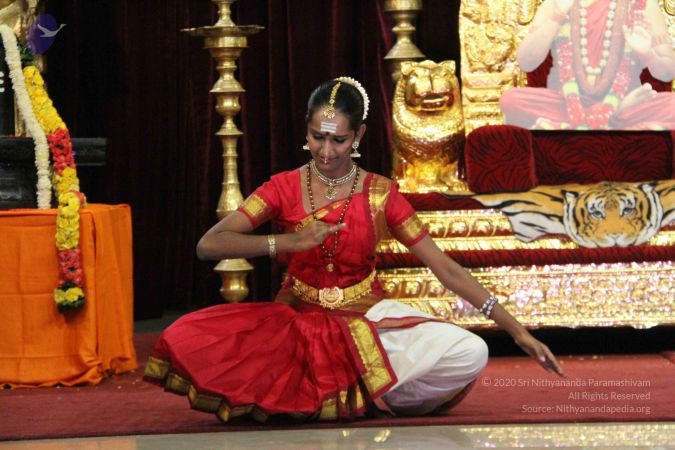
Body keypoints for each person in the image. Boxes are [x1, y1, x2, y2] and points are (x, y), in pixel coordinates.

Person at [144, 77, 565, 423]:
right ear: (306, 131)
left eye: (339, 140)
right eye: (317, 137)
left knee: (470, 352)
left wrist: (517, 331)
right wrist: (288, 242)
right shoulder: (283, 187)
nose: (326, 152)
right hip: (299, 321)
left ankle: (354, 391)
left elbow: (445, 268)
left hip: (366, 318)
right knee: (184, 336)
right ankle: (352, 390)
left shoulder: (380, 194)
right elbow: (209, 244)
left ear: (359, 135)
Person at [500, 0, 675, 130]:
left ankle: (599, 117)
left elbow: (668, 72)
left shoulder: (642, 4)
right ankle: (612, 118)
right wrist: (556, 17)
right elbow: (526, 62)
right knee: (511, 100)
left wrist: (647, 54)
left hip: (626, 101)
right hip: (567, 104)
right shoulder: (556, 2)